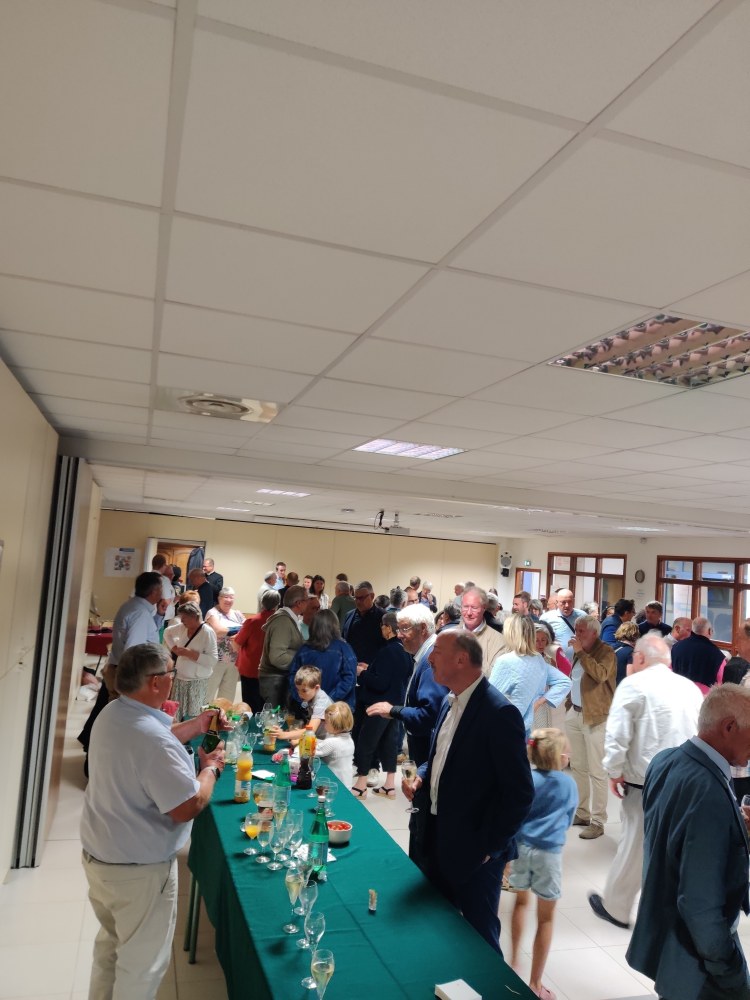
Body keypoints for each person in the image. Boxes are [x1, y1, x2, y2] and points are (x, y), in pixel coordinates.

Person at [80, 642, 226, 1000]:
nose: (173, 680)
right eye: (171, 674)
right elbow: (187, 806)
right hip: (138, 871)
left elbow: (153, 740)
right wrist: (210, 769)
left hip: (102, 857)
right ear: (157, 682)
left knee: (111, 950)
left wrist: (197, 725)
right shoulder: (152, 740)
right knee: (142, 968)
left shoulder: (114, 712)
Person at [403, 629, 534, 953]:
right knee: (437, 927)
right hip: (436, 835)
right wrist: (423, 776)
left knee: (479, 940)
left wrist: (491, 847)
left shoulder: (499, 713)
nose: (430, 659)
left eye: (438, 652)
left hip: (474, 851)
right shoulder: (450, 701)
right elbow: (441, 755)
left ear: (461, 659)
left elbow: (520, 793)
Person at [626, 684, 750, 1000]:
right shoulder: (710, 794)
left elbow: (675, 838)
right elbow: (699, 903)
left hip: (664, 942)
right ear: (729, 727)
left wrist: (734, 826)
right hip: (697, 962)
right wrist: (729, 968)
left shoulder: (665, 761)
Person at [588, 634, 702, 930]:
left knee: (635, 845)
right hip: (688, 780)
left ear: (639, 658)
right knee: (678, 847)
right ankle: (677, 913)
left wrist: (614, 770)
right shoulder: (689, 688)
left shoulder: (634, 685)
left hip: (647, 781)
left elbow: (617, 734)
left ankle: (616, 908)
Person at [509, 728, 578, 1000]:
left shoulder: (526, 778)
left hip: (521, 848)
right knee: (546, 918)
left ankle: (513, 960)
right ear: (560, 756)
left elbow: (516, 812)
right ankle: (536, 984)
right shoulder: (568, 785)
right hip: (549, 854)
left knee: (520, 903)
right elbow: (568, 819)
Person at [78, 571, 164, 765]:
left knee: (106, 714)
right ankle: (100, 763)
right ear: (154, 591)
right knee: (118, 721)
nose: (162, 593)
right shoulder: (139, 613)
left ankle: (93, 757)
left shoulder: (135, 606)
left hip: (117, 667)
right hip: (127, 673)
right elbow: (133, 652)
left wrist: (159, 614)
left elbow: (147, 635)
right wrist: (135, 686)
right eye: (161, 588)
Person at [367, 604, 447, 766]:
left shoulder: (430, 660)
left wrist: (394, 711)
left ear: (422, 628)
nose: (399, 635)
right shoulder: (427, 654)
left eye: (404, 629)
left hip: (428, 748)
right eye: (398, 629)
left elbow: (430, 714)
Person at [566, 615, 616, 839]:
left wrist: (580, 653)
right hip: (575, 713)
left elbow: (600, 674)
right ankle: (582, 812)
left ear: (594, 633)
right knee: (578, 766)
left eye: (581, 631)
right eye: (576, 630)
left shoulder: (606, 651)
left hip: (596, 717)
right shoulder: (580, 652)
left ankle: (598, 820)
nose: (577, 634)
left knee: (597, 771)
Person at [352, 611, 413, 798]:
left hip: (379, 704)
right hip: (395, 705)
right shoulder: (405, 650)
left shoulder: (387, 650)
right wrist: (370, 669)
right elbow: (394, 676)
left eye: (382, 626)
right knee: (389, 743)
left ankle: (361, 785)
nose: (381, 629)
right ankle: (389, 785)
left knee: (366, 742)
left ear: (388, 628)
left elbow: (380, 683)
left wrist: (362, 673)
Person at [489, 614, 570, 738]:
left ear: (511, 633)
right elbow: (565, 682)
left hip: (505, 729)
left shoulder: (506, 661)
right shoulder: (538, 659)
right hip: (524, 728)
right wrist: (538, 702)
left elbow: (489, 701)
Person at [288, 609, 357, 708]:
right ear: (335, 626)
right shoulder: (344, 648)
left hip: (309, 707)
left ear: (313, 626)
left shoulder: (304, 650)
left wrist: (303, 698)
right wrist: (328, 700)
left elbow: (293, 677)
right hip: (338, 709)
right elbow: (350, 679)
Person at [163, 601, 218, 720]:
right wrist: (174, 648)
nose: (182, 620)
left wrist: (191, 654)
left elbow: (213, 660)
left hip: (197, 682)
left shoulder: (207, 632)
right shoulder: (182, 628)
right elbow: (167, 633)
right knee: (176, 715)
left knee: (193, 716)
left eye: (185, 617)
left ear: (194, 617)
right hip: (180, 679)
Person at [258, 584, 309, 707]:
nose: (308, 603)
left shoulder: (290, 619)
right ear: (298, 603)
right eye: (306, 600)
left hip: (279, 680)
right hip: (275, 681)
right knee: (274, 718)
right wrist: (302, 659)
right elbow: (278, 657)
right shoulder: (283, 622)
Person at [233, 590, 279, 713]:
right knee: (268, 706)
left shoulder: (253, 621)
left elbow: (236, 644)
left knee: (250, 705)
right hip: (272, 670)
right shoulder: (280, 622)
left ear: (262, 602)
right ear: (277, 604)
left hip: (251, 670)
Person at [287, 701, 354, 785]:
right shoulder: (348, 739)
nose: (324, 724)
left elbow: (308, 752)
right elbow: (322, 743)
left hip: (335, 782)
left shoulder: (332, 743)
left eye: (326, 722)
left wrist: (298, 743)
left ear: (334, 725)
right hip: (347, 782)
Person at [205, 586, 245, 703]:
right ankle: (205, 714)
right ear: (219, 598)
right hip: (216, 659)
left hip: (234, 660)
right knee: (209, 692)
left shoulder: (237, 614)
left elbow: (247, 630)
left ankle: (223, 714)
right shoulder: (212, 613)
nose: (228, 600)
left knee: (227, 696)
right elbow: (218, 630)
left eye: (231, 597)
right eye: (225, 597)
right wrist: (238, 631)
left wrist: (236, 633)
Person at [277, 666, 332, 740]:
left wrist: (284, 735)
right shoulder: (310, 697)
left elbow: (311, 730)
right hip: (317, 737)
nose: (300, 694)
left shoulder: (321, 703)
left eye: (304, 691)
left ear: (316, 688)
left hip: (327, 741)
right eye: (298, 689)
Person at [671, 616, 726, 688]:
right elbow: (721, 681)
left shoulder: (676, 647)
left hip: (678, 690)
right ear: (709, 631)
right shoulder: (716, 654)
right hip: (703, 694)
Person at [461, 586, 506, 672]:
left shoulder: (499, 641)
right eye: (465, 607)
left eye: (474, 608)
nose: (469, 613)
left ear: (484, 608)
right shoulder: (447, 636)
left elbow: (494, 676)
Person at [541, 589, 583, 660]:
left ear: (573, 601)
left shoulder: (583, 616)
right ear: (557, 602)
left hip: (579, 662)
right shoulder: (546, 618)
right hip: (555, 662)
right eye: (563, 602)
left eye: (570, 602)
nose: (567, 605)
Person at [612, 620, 640, 685]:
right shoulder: (631, 652)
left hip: (609, 687)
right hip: (621, 688)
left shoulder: (611, 648)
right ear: (635, 635)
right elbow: (630, 678)